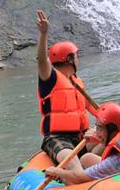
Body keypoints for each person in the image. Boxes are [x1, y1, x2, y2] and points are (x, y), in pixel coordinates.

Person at [45, 102, 120, 185]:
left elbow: (80, 179)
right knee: (86, 158)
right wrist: (99, 138)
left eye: (100, 128)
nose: (96, 132)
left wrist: (57, 172)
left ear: (112, 129)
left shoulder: (114, 161)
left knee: (68, 180)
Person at [35, 10, 99, 161]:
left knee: (111, 140)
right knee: (71, 161)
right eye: (76, 56)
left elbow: (96, 110)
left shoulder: (76, 82)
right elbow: (42, 60)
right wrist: (44, 34)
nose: (78, 59)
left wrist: (110, 123)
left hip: (81, 136)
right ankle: (76, 174)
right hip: (58, 138)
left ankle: (97, 169)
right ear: (69, 59)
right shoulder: (49, 79)